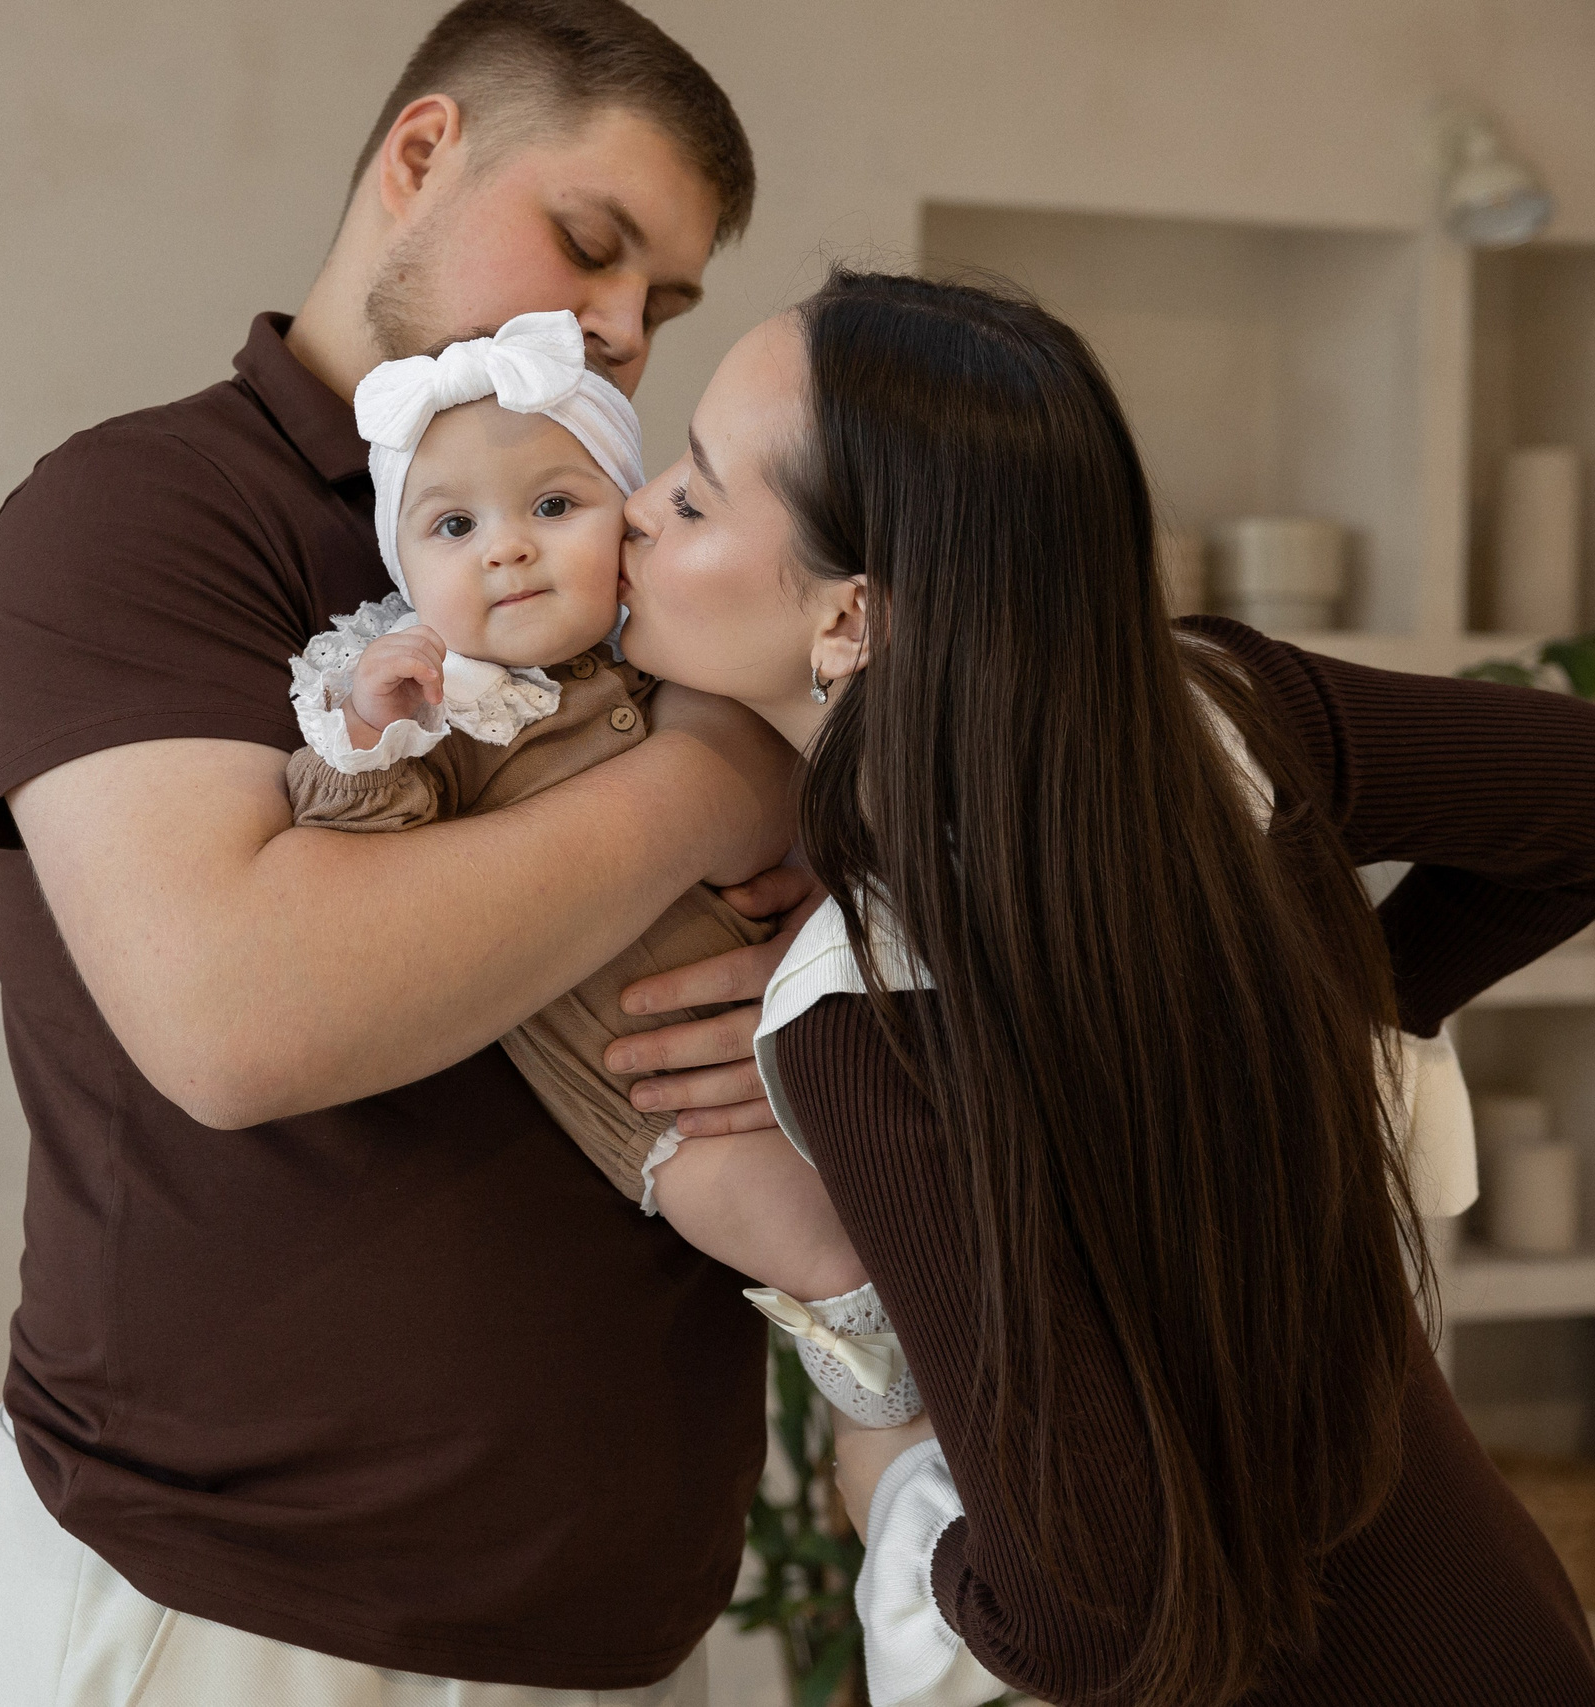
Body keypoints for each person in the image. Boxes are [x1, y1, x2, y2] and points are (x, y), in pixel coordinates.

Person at [0, 3, 806, 1701]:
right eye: (591, 243)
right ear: (421, 157)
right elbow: (246, 1011)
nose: (626, 326)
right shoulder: (146, 517)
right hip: (253, 1615)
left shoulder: (627, 556)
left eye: (667, 302)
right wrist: (710, 782)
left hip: (629, 1617)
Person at [613, 265, 1595, 1706]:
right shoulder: (1216, 722)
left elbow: (1085, 1610)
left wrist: (887, 1475)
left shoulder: (864, 1010)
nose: (634, 504)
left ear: (851, 621)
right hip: (1492, 1635)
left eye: (695, 498)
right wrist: (1340, 1007)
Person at [286, 309, 902, 1421]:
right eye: (453, 527)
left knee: (906, 1190)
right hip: (657, 1093)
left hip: (792, 1029)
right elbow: (349, 857)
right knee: (813, 1238)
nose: (507, 548)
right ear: (403, 569)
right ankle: (894, 1396)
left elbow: (815, 776)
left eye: (555, 508)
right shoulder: (440, 708)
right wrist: (371, 728)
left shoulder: (668, 656)